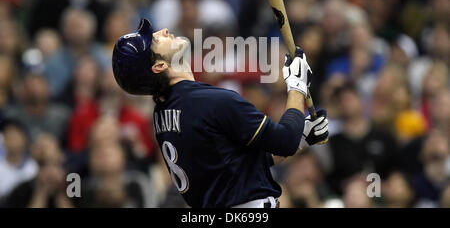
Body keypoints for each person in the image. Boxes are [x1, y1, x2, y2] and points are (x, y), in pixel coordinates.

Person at [111, 19, 329, 208]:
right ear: (159, 65)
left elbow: (237, 168)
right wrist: (297, 87)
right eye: (156, 40)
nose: (163, 31)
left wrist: (301, 136)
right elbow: (284, 141)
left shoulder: (162, 113)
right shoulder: (210, 102)